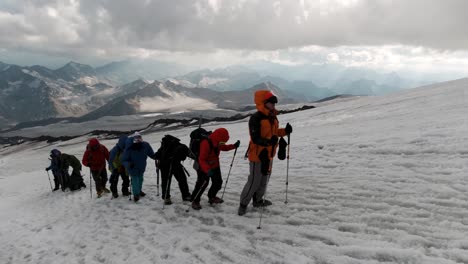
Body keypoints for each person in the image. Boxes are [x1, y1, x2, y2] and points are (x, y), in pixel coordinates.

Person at [238, 90, 292, 216]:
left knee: (264, 180)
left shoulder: (272, 116)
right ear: (263, 103)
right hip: (257, 155)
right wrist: (268, 142)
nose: (274, 104)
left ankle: (257, 201)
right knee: (254, 181)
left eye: (274, 102)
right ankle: (243, 204)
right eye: (271, 102)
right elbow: (255, 137)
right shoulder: (256, 118)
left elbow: (274, 133)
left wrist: (285, 131)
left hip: (269, 154)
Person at [191, 128, 239, 210]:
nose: (222, 143)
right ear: (218, 138)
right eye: (222, 142)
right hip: (202, 166)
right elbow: (201, 159)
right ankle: (195, 200)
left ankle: (212, 197)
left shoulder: (218, 142)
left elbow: (223, 147)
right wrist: (207, 170)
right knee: (203, 184)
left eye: (224, 142)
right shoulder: (205, 143)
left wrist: (233, 146)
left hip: (214, 164)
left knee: (218, 182)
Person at [154, 135, 191, 205]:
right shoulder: (177, 145)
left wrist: (157, 157)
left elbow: (157, 155)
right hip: (176, 165)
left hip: (165, 166)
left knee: (166, 181)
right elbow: (188, 153)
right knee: (182, 179)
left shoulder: (164, 146)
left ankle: (166, 197)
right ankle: (186, 195)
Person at [121, 132, 156, 202]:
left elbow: (151, 154)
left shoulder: (145, 145)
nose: (138, 142)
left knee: (140, 180)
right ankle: (136, 194)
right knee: (135, 181)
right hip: (133, 168)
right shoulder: (129, 148)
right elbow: (124, 160)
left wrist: (156, 157)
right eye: (136, 141)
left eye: (139, 140)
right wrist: (128, 164)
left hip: (141, 167)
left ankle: (139, 191)